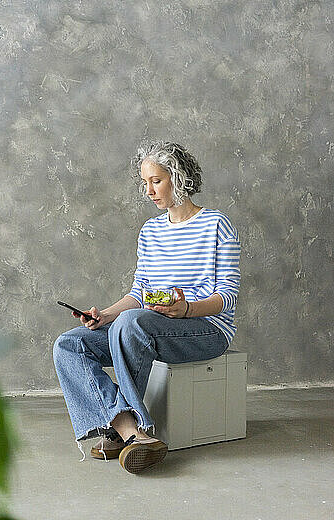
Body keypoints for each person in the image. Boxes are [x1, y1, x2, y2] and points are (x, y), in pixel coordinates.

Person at [53, 140, 241, 474]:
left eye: (156, 180)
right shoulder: (150, 231)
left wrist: (187, 310)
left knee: (131, 323)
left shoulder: (216, 225)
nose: (149, 191)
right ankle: (131, 431)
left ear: (178, 177)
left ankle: (126, 432)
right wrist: (105, 315)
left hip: (206, 329)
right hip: (148, 325)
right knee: (69, 345)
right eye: (145, 183)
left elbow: (228, 296)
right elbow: (140, 292)